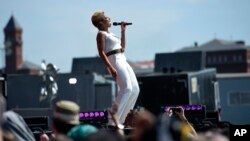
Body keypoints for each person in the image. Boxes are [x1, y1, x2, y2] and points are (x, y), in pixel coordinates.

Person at [91, 11, 140, 124]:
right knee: (126, 88)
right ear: (101, 22)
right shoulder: (101, 34)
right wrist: (110, 68)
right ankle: (112, 120)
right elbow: (101, 53)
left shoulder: (111, 34)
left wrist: (123, 31)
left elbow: (122, 47)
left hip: (122, 58)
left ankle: (121, 120)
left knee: (135, 89)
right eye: (106, 18)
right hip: (114, 60)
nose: (109, 18)